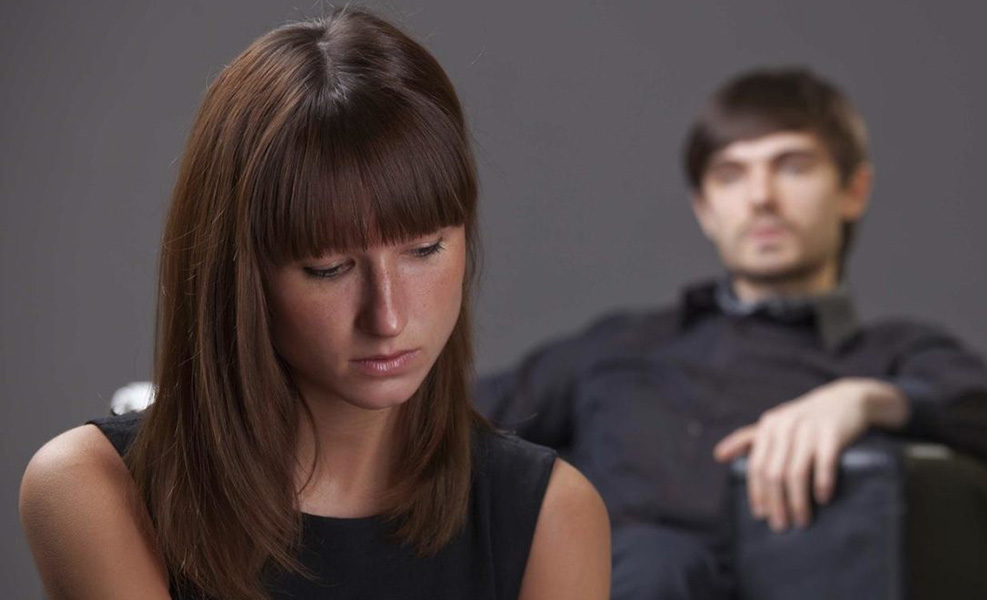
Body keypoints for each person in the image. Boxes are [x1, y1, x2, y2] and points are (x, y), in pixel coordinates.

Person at [18, 9, 609, 600]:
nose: (388, 318)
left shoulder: (551, 516)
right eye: (328, 268)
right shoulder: (90, 488)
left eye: (425, 249)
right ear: (240, 273)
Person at [475, 67, 987, 600]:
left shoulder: (886, 354)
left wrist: (866, 399)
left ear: (853, 190)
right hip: (586, 575)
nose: (761, 197)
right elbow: (456, 418)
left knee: (660, 563)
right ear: (705, 209)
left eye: (792, 166)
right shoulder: (618, 344)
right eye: (730, 175)